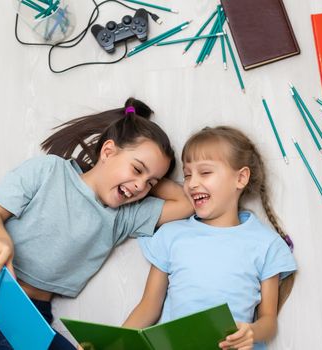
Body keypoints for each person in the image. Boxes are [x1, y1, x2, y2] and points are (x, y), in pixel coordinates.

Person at [0, 98, 193, 350]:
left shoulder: (125, 216)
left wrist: (150, 173)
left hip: (31, 318)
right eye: (136, 170)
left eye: (151, 184)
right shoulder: (49, 170)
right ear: (108, 151)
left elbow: (187, 202)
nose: (140, 186)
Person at [123, 126, 297, 350]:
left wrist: (250, 332)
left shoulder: (266, 244)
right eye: (187, 175)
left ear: (241, 178)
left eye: (205, 173)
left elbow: (269, 321)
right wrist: (112, 343)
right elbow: (149, 306)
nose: (192, 183)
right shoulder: (172, 234)